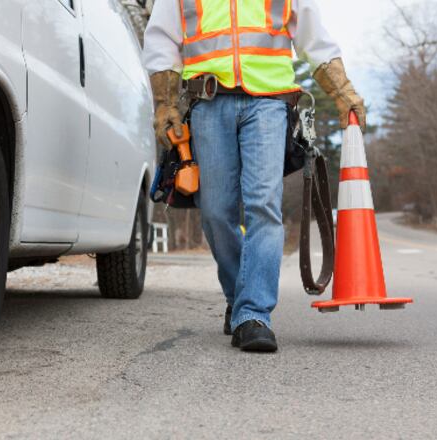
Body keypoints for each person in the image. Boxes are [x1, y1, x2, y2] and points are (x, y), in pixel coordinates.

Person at [143, 0, 365, 352]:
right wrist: (165, 103)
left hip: (269, 103)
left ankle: (253, 314)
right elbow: (161, 39)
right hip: (208, 102)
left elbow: (314, 38)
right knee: (216, 211)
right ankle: (239, 295)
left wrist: (342, 92)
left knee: (264, 204)